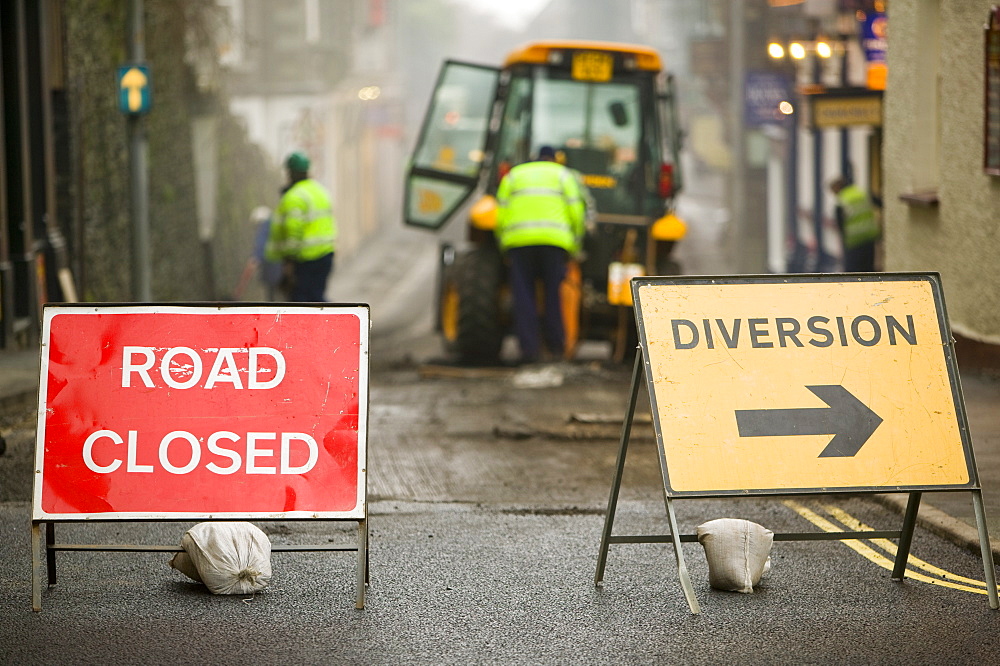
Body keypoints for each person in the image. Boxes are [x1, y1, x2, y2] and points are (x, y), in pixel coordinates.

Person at [495, 145, 587, 364]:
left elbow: (500, 214)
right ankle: (556, 347)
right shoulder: (564, 175)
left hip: (519, 243)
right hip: (554, 244)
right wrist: (575, 244)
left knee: (524, 296)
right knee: (553, 294)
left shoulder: (514, 176)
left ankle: (529, 350)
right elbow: (577, 213)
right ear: (555, 159)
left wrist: (503, 245)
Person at [265, 151, 337, 301]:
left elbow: (293, 231)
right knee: (317, 296)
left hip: (305, 259)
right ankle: (330, 322)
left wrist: (289, 261)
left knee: (301, 301)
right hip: (325, 254)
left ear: (290, 172)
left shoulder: (294, 196)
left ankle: (329, 323)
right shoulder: (320, 191)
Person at [829, 177, 880, 272]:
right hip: (869, 236)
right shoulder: (861, 193)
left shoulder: (841, 201)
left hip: (854, 240)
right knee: (868, 267)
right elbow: (880, 202)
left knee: (853, 270)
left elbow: (840, 224)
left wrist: (843, 241)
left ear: (837, 188)